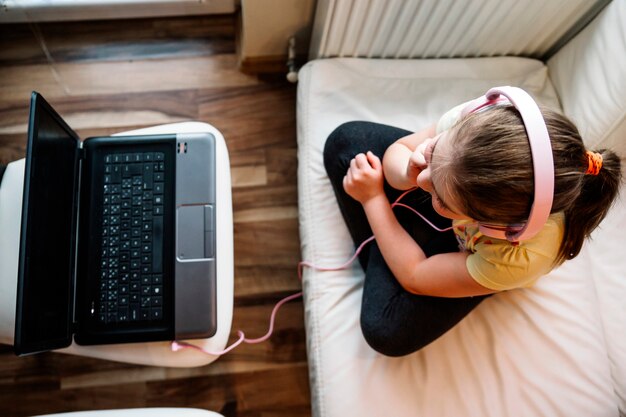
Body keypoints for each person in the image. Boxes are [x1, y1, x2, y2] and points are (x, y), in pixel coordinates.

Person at [323, 87, 622, 357]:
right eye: (433, 150)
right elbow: (401, 151)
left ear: (494, 225)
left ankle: (394, 236)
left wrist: (372, 199)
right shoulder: (477, 121)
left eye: (439, 198)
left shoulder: (518, 257)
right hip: (459, 189)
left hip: (472, 255)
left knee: (384, 331)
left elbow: (415, 274)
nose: (422, 179)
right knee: (345, 141)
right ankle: (401, 235)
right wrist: (405, 172)